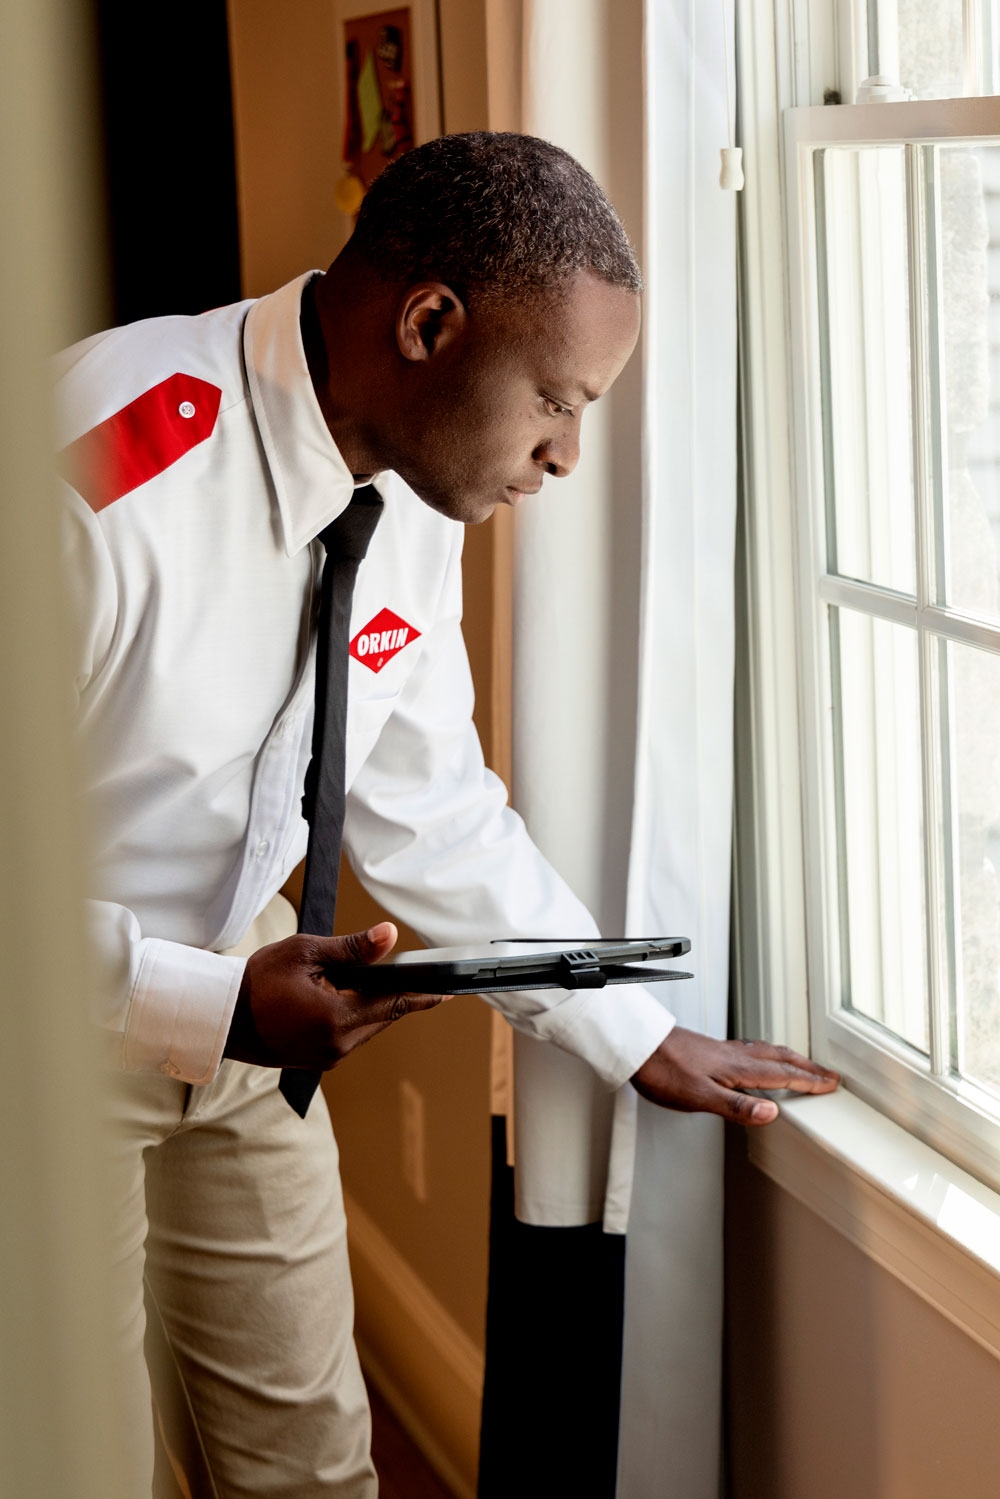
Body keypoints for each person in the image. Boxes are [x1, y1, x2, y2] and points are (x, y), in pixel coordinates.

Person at [56, 132, 837, 1497]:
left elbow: (434, 804)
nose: (567, 452)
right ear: (428, 324)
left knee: (312, 1472)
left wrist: (628, 1031)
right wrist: (206, 1001)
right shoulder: (98, 473)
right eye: (553, 396)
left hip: (242, 1042)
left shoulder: (411, 491)